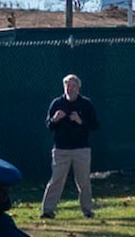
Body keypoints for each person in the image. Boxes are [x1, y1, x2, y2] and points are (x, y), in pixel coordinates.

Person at [40, 73, 100, 220]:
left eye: (73, 86)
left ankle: (87, 210)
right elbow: (49, 125)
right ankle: (47, 210)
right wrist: (55, 119)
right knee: (56, 180)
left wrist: (81, 121)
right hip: (61, 149)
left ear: (78, 88)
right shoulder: (57, 103)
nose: (70, 88)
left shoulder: (86, 104)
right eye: (67, 85)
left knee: (83, 181)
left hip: (81, 149)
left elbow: (94, 125)